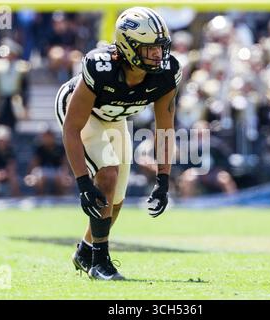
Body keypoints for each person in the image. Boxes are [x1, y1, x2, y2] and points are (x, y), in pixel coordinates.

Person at [55, 7, 181, 280]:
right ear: (128, 47)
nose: (158, 55)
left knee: (116, 200)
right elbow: (72, 128)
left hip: (116, 119)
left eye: (161, 47)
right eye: (150, 49)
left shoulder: (166, 72)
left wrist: (163, 178)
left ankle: (85, 250)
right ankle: (100, 262)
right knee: (107, 175)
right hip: (82, 114)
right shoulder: (101, 68)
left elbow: (165, 129)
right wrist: (82, 183)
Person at [24, 129, 72, 195]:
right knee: (40, 177)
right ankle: (41, 198)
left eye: (49, 136)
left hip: (57, 170)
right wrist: (30, 174)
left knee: (61, 178)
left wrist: (66, 174)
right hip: (43, 170)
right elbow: (34, 163)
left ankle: (60, 198)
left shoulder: (60, 148)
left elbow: (64, 163)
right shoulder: (39, 148)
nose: (47, 138)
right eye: (45, 136)